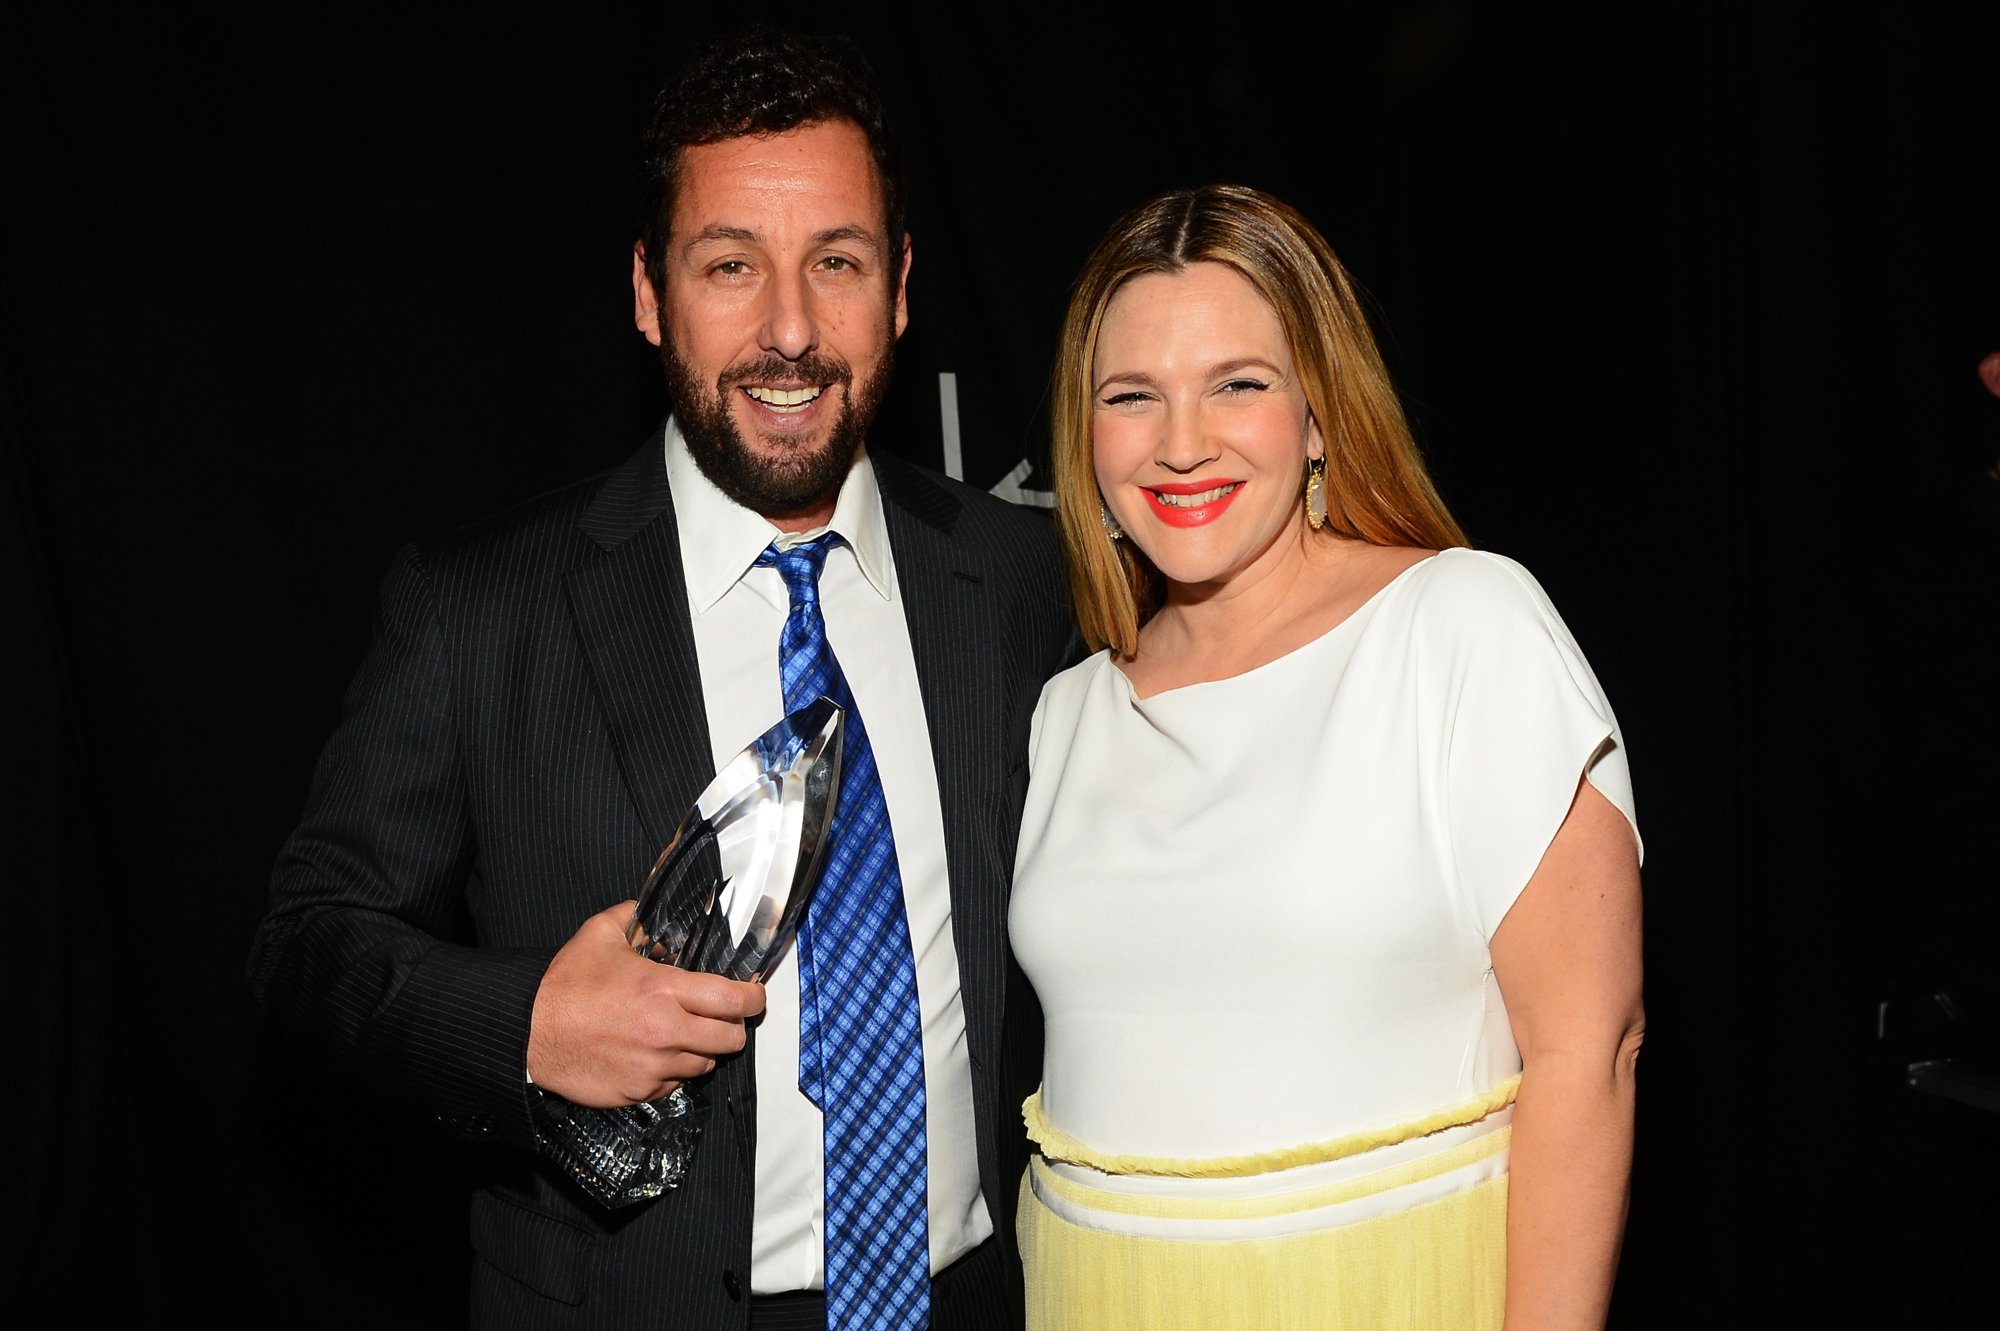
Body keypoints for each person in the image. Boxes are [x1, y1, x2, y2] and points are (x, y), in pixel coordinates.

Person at [247, 25, 1076, 1331]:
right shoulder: (479, 609)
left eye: (838, 263)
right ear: (647, 291)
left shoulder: (1024, 580)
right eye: (730, 265)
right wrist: (521, 1019)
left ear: (903, 286)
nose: (791, 331)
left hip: (985, 1293)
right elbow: (307, 943)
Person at [1007, 184, 1646, 1330]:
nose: (1181, 441)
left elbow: (1585, 1053)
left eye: (1236, 384)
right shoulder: (1066, 712)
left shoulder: (1459, 625)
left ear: (1316, 411)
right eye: (1130, 396)